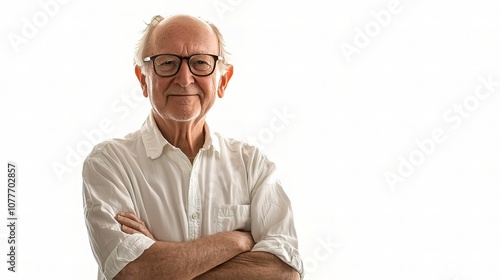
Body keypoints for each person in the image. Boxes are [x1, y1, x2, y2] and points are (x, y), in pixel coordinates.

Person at [82, 14, 303, 280]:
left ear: (223, 81)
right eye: (167, 63)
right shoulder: (109, 163)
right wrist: (237, 242)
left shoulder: (253, 166)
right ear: (143, 79)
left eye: (200, 63)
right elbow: (132, 272)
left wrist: (164, 266)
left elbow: (284, 272)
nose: (185, 79)